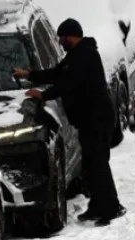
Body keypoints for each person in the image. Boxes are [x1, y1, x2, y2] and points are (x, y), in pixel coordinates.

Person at [13, 18, 126, 226]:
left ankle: (111, 207)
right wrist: (29, 74)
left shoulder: (86, 56)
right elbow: (57, 73)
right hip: (88, 120)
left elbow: (68, 83)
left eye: (62, 38)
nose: (60, 42)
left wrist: (43, 95)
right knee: (90, 164)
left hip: (97, 119)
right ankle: (97, 206)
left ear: (72, 37)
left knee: (98, 164)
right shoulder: (76, 56)